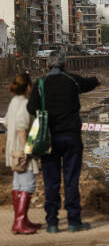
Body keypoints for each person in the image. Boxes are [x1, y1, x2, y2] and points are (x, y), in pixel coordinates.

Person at [27, 52, 100, 233]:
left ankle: (52, 223)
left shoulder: (41, 84)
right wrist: (98, 80)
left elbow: (30, 107)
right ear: (65, 65)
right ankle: (74, 221)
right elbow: (89, 83)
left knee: (50, 181)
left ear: (47, 65)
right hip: (71, 137)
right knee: (71, 179)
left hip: (48, 139)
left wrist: (43, 113)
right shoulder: (72, 80)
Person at [4, 72, 41, 235]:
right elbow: (21, 127)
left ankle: (22, 219)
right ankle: (19, 222)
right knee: (28, 184)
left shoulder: (13, 102)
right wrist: (27, 149)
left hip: (12, 149)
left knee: (18, 183)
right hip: (22, 148)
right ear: (28, 87)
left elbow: (6, 122)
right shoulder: (25, 103)